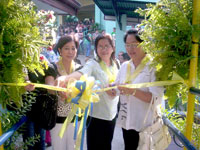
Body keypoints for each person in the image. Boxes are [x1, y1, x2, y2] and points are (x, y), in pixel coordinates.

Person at [56, 34, 119, 150]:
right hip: (96, 116)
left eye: (107, 46)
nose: (104, 49)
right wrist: (66, 78)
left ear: (113, 48)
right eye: (100, 46)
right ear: (96, 48)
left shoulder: (116, 64)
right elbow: (81, 73)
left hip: (112, 114)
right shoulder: (93, 64)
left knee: (107, 145)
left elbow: (121, 83)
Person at [114, 29, 164, 150]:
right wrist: (111, 89)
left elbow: (155, 98)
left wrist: (132, 91)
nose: (130, 49)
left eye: (135, 45)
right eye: (128, 45)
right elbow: (117, 87)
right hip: (127, 122)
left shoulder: (153, 67)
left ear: (144, 44)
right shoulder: (125, 66)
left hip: (145, 125)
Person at [45, 35, 82, 150]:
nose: (70, 51)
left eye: (73, 48)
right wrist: (57, 90)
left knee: (74, 147)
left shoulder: (80, 68)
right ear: (59, 50)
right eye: (66, 48)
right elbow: (49, 87)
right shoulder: (52, 67)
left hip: (76, 118)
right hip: (58, 118)